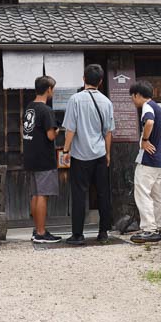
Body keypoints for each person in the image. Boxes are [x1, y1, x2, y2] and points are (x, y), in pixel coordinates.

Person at [61, 64, 115, 245]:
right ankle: (103, 232)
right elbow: (108, 132)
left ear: (84, 79)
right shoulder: (107, 102)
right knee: (102, 193)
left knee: (78, 194)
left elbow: (70, 129)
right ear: (100, 81)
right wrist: (107, 154)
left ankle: (78, 234)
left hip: (80, 155)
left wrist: (66, 150)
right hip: (99, 153)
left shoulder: (75, 100)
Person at [23, 75, 62, 243]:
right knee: (43, 195)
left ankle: (36, 230)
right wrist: (58, 130)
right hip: (43, 157)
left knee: (35, 194)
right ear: (49, 89)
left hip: (30, 155)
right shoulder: (46, 110)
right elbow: (51, 136)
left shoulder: (29, 107)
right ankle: (40, 232)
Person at [129, 81, 161, 244]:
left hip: (149, 160)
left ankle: (149, 229)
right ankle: (158, 227)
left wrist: (144, 139)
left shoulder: (147, 107)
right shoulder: (158, 107)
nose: (132, 100)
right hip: (159, 159)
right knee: (157, 195)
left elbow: (149, 122)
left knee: (143, 192)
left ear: (137, 95)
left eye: (132, 96)